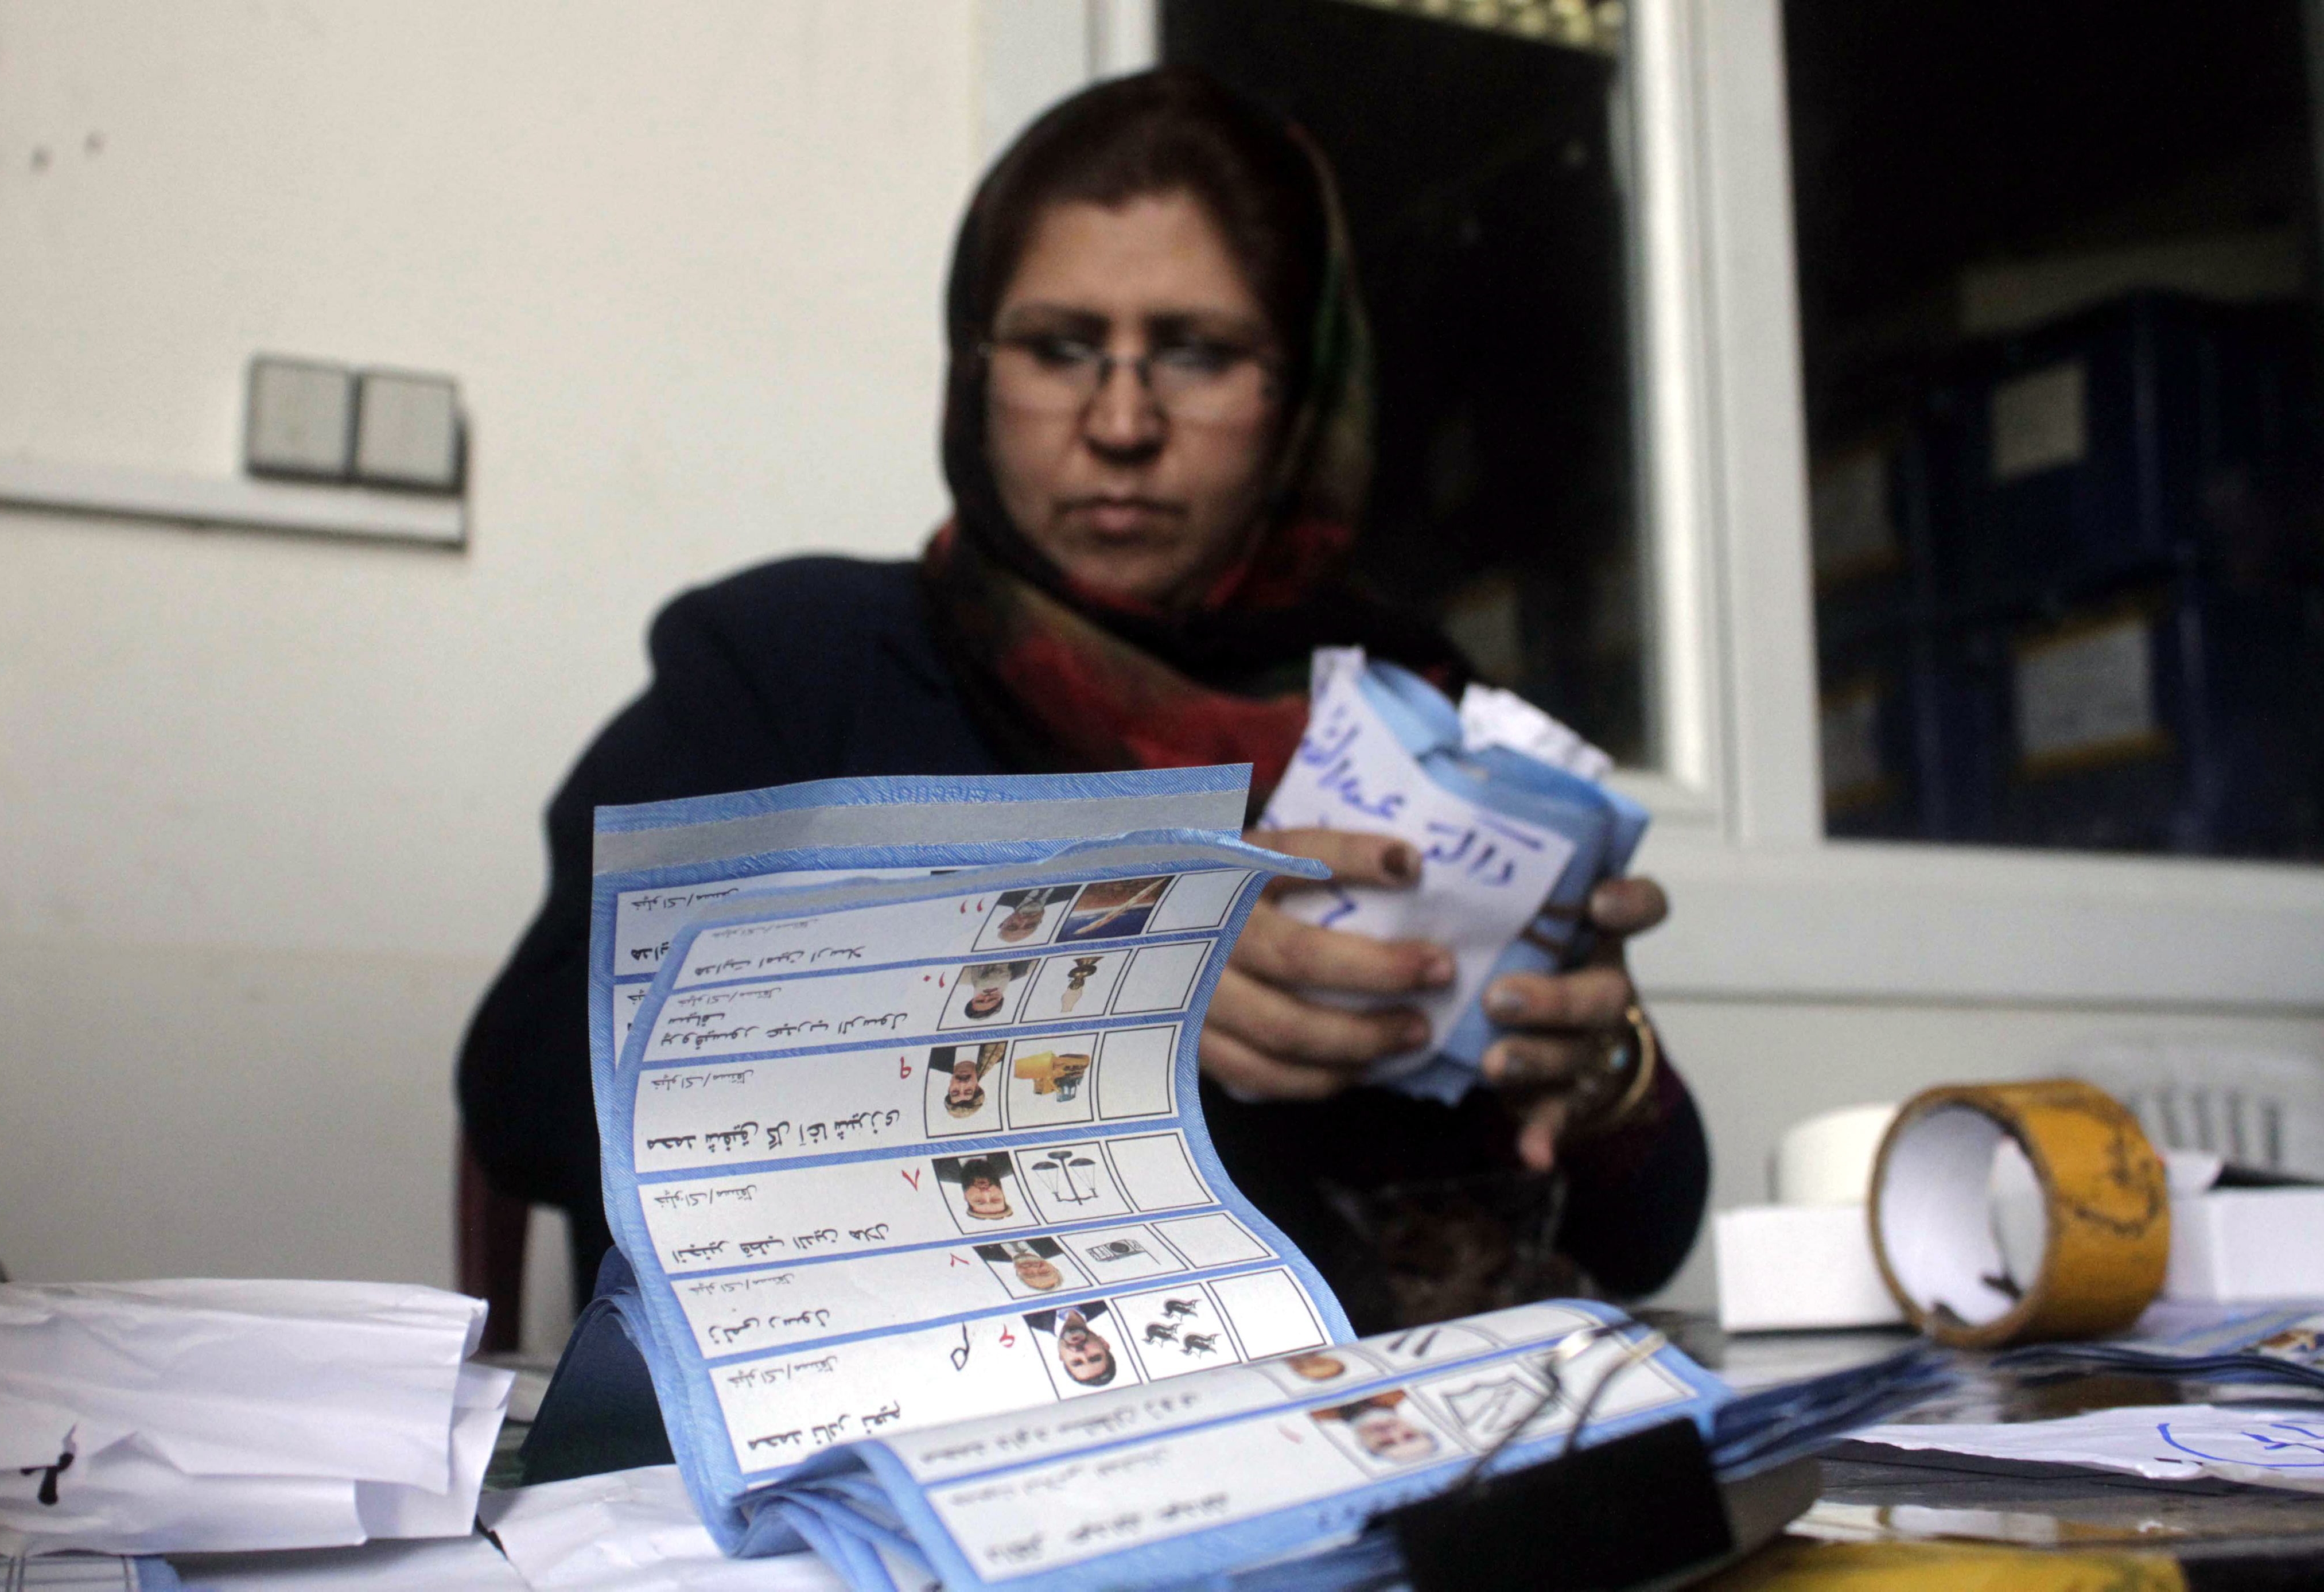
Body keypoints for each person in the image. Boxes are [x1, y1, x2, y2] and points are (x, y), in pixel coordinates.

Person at [457, 67, 1707, 1329]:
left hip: (1381, 1441)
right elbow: (529, 1090)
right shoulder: (796, 671)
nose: (1119, 421)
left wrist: (1595, 1064)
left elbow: (1643, 1237)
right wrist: (1114, 977)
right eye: (1061, 349)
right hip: (931, 1444)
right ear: (975, 369)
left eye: (1197, 353)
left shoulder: (1414, 717)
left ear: (1304, 393)